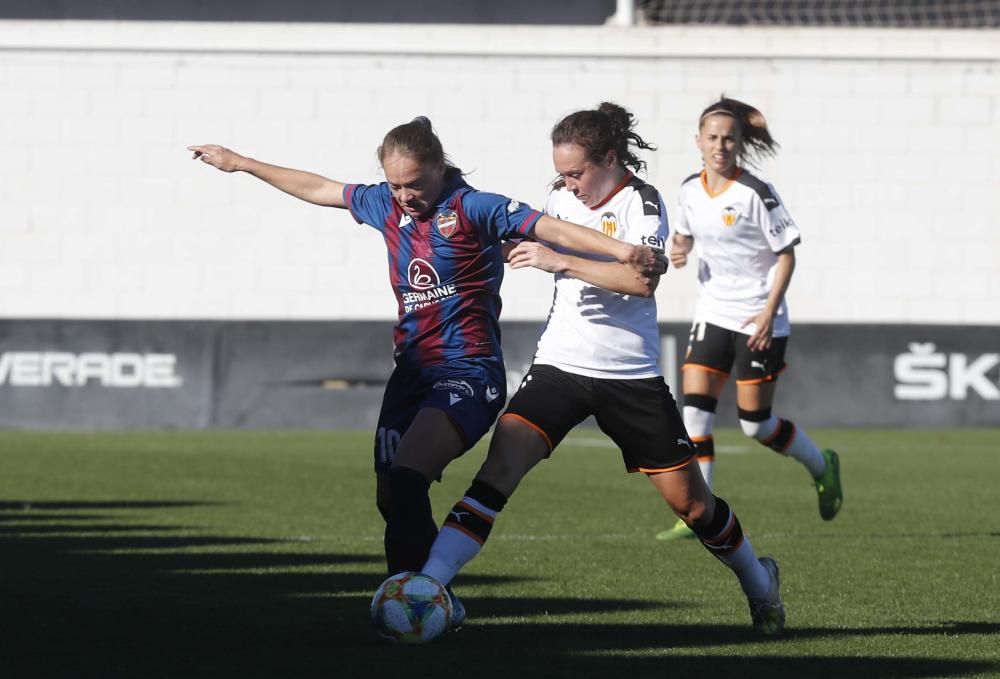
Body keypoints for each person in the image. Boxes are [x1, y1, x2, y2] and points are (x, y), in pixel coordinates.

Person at [187, 117, 665, 624]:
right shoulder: (383, 205)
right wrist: (239, 163)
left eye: (414, 184)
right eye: (395, 185)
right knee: (392, 494)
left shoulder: (472, 206)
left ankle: (421, 598)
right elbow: (320, 187)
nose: (404, 196)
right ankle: (426, 601)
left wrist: (624, 251)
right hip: (411, 372)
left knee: (409, 473)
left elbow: (549, 229)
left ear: (439, 167)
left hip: (468, 370)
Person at [419, 103, 786, 636]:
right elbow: (539, 245)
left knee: (693, 506)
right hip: (558, 367)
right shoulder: (560, 197)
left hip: (629, 376)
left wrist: (560, 260)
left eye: (576, 172)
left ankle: (759, 580)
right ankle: (429, 586)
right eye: (561, 174)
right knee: (498, 470)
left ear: (610, 159)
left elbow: (642, 281)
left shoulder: (643, 203)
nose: (568, 184)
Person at [655, 96, 842, 543]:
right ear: (698, 141)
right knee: (695, 413)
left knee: (755, 425)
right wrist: (679, 250)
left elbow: (786, 255)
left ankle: (822, 464)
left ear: (739, 144)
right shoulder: (688, 189)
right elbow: (683, 236)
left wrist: (767, 312)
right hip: (713, 313)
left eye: (729, 139)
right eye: (713, 138)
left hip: (759, 317)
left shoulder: (756, 192)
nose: (720, 145)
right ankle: (700, 511)